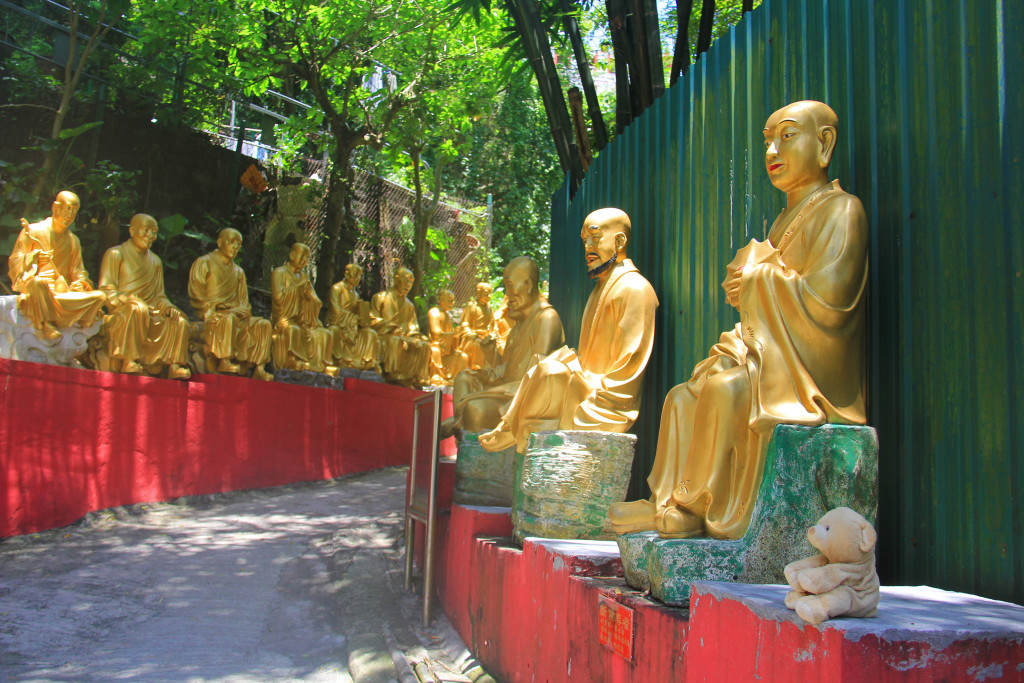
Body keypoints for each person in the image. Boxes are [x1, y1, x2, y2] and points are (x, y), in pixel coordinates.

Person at [608, 100, 868, 540]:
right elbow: (770, 296)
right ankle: (663, 500)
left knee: (724, 389)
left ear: (824, 144)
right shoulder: (785, 219)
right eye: (767, 140)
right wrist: (750, 286)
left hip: (810, 371)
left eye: (786, 136)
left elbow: (829, 305)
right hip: (770, 353)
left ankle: (696, 506)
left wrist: (757, 279)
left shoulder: (842, 210)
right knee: (681, 396)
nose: (771, 150)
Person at [479, 208, 658, 453]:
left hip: (605, 399)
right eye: (584, 240)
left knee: (551, 370)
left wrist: (583, 388)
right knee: (544, 364)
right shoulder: (601, 289)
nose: (587, 247)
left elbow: (626, 373)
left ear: (619, 241)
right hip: (586, 384)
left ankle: (513, 429)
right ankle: (510, 426)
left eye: (595, 238)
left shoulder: (636, 289)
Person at [440, 256, 564, 438]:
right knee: (464, 378)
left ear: (528, 284)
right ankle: (461, 424)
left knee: (474, 408)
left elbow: (534, 379)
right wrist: (491, 355)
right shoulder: (518, 325)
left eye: (510, 286)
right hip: (507, 389)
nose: (507, 295)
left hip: (524, 398)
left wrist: (477, 397)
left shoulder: (546, 319)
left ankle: (462, 425)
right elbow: (505, 371)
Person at [98, 213, 190, 379]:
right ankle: (129, 360)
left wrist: (168, 307)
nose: (150, 236)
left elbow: (159, 296)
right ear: (132, 231)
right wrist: (127, 299)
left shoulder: (155, 262)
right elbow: (106, 289)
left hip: (150, 311)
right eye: (146, 230)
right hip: (127, 309)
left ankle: (174, 365)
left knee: (179, 322)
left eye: (154, 232)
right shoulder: (115, 254)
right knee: (137, 309)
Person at [8, 190, 106, 340]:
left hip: (63, 291)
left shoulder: (73, 241)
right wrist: (34, 258)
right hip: (41, 290)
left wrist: (80, 283)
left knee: (100, 296)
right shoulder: (33, 231)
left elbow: (79, 270)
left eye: (74, 211)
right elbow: (16, 260)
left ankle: (75, 326)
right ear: (55, 208)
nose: (70, 215)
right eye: (67, 209)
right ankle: (45, 324)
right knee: (37, 283)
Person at [187, 228, 273, 380]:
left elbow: (244, 304)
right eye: (231, 242)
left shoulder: (238, 272)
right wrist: (213, 306)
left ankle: (259, 366)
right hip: (216, 314)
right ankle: (224, 360)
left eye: (238, 244)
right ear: (220, 243)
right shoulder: (204, 263)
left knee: (263, 325)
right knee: (228, 320)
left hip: (235, 314)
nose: (235, 247)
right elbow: (196, 293)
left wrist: (239, 310)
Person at [271, 242, 335, 373]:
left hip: (303, 321)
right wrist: (297, 289)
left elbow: (317, 302)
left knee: (325, 334)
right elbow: (278, 297)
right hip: (285, 318)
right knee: (292, 330)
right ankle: (292, 360)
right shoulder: (279, 273)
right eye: (302, 256)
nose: (304, 260)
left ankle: (322, 364)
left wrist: (308, 298)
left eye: (307, 258)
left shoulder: (304, 277)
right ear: (292, 255)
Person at [370, 267, 430, 386]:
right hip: (385, 335)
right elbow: (371, 319)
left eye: (411, 282)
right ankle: (393, 374)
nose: (408, 285)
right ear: (396, 279)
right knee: (395, 341)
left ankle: (418, 377)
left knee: (424, 345)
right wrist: (391, 327)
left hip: (404, 335)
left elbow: (413, 326)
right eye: (406, 280)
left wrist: (414, 334)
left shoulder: (409, 306)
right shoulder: (380, 297)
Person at [326, 263, 382, 372]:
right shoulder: (336, 289)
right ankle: (339, 361)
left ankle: (365, 361)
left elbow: (360, 316)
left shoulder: (355, 295)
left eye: (359, 276)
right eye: (355, 275)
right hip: (340, 325)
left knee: (370, 333)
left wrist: (361, 314)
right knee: (333, 331)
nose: (357, 278)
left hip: (353, 327)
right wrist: (354, 318)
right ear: (346, 274)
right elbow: (335, 311)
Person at [427, 289, 468, 385]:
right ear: (441, 299)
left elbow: (452, 338)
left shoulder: (447, 316)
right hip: (437, 346)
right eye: (450, 300)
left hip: (447, 350)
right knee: (434, 351)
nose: (452, 303)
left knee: (463, 356)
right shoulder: (434, 312)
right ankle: (435, 376)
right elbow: (435, 334)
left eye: (453, 300)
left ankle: (457, 378)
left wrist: (456, 335)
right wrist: (453, 334)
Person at [459, 282, 498, 370]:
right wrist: (472, 333)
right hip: (473, 337)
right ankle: (476, 368)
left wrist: (493, 334)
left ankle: (492, 370)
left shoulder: (489, 309)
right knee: (478, 344)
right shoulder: (471, 306)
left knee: (497, 345)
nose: (488, 297)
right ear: (478, 293)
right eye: (485, 294)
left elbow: (494, 326)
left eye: (489, 294)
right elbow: (465, 324)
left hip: (486, 336)